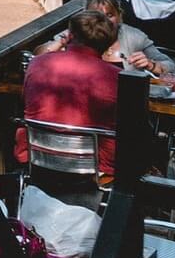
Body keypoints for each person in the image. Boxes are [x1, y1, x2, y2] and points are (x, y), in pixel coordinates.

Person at [19, 9, 122, 182]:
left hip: (38, 157)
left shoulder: (37, 63)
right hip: (96, 166)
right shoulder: (116, 76)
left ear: (71, 35)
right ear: (109, 43)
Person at [55, 0, 175, 82]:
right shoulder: (76, 33)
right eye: (96, 15)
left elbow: (171, 69)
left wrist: (151, 65)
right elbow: (40, 55)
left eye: (109, 15)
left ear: (119, 15)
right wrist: (60, 44)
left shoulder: (134, 37)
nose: (104, 21)